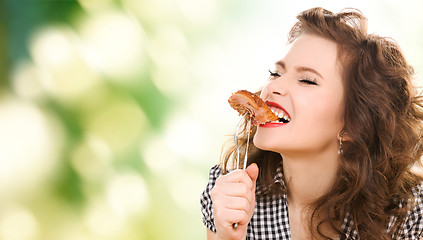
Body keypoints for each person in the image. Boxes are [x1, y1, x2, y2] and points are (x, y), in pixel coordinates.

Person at [200, 7, 423, 240]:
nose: (273, 87)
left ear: (354, 123)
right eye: (275, 73)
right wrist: (228, 236)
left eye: (307, 80)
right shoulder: (227, 193)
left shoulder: (407, 213)